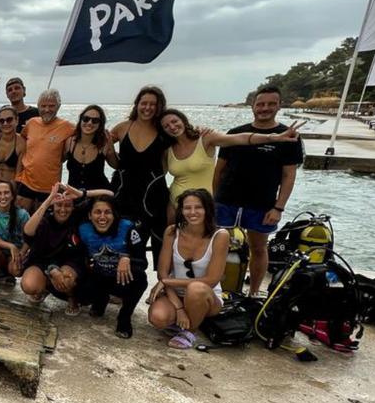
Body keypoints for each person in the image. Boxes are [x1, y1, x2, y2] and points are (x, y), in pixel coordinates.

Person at [213, 86, 305, 294]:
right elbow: (219, 170)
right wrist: (214, 199)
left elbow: (289, 176)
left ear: (279, 106)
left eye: (271, 104)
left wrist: (278, 207)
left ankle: (253, 292)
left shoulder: (288, 137)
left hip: (261, 203)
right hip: (227, 200)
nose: (265, 108)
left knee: (258, 248)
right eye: (261, 104)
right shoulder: (235, 133)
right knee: (217, 247)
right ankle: (216, 289)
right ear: (253, 106)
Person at [160, 108, 301, 221]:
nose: (172, 127)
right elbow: (158, 174)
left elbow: (240, 138)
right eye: (166, 126)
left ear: (183, 121)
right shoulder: (167, 148)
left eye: (174, 121)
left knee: (204, 249)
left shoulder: (205, 138)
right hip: (175, 203)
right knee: (174, 247)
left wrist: (272, 137)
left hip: (204, 206)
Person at [147, 188, 230, 349]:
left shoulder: (220, 235)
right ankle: (184, 318)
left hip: (206, 295)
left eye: (198, 207)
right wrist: (178, 308)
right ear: (181, 210)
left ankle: (190, 330)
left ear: (207, 209)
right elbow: (163, 273)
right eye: (187, 208)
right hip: (175, 294)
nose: (192, 212)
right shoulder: (172, 232)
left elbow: (212, 280)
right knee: (158, 318)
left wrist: (168, 281)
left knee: (195, 288)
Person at [20, 183, 113, 307]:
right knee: (29, 285)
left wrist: (81, 194)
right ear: (53, 206)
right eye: (59, 205)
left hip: (70, 263)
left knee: (65, 280)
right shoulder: (45, 220)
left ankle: (71, 296)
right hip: (42, 262)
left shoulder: (78, 216)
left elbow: (110, 195)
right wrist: (49, 200)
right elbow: (28, 231)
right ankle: (45, 287)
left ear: (73, 207)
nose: (63, 210)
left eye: (67, 205)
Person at [107, 85, 169, 259]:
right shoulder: (122, 128)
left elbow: (167, 163)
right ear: (137, 104)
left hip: (152, 194)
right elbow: (113, 162)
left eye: (153, 104)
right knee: (122, 238)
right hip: (124, 193)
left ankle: (161, 282)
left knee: (158, 241)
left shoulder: (164, 131)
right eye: (144, 103)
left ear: (159, 107)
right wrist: (110, 153)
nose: (147, 108)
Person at [76, 196, 149, 338]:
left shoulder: (128, 229)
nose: (102, 217)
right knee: (81, 290)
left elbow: (143, 262)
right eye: (97, 212)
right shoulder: (83, 230)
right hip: (98, 275)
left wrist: (127, 257)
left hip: (120, 278)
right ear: (90, 215)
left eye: (107, 212)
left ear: (115, 214)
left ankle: (124, 317)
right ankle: (100, 301)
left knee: (140, 278)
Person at [14, 88, 72, 210]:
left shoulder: (67, 127)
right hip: (25, 182)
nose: (47, 110)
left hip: (49, 187)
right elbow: (20, 138)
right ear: (38, 106)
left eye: (51, 106)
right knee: (20, 220)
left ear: (58, 106)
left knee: (42, 224)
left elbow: (87, 134)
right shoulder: (31, 123)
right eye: (43, 106)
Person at [0, 180, 30, 292]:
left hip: (15, 253)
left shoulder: (22, 214)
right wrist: (10, 246)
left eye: (6, 192)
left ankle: (7, 273)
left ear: (12, 196)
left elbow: (29, 238)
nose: (3, 196)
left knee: (17, 271)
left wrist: (21, 253)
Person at [64, 105, 112, 191]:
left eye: (95, 121)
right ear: (80, 120)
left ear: (100, 124)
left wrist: (111, 147)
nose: (90, 123)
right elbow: (57, 162)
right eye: (86, 119)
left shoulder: (104, 144)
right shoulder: (70, 142)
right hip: (73, 195)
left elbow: (116, 165)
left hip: (98, 196)